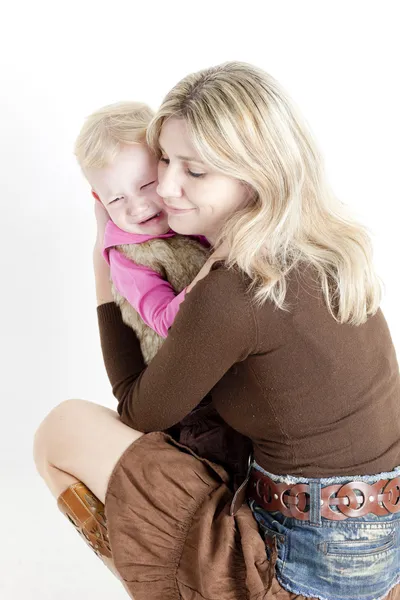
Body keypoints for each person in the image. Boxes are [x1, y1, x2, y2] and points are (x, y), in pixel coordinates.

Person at [33, 61, 400, 600]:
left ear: (255, 173)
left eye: (196, 171)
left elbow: (138, 410)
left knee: (61, 431)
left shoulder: (234, 288)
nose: (167, 186)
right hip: (381, 547)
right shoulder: (324, 247)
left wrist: (103, 261)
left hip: (308, 574)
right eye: (165, 160)